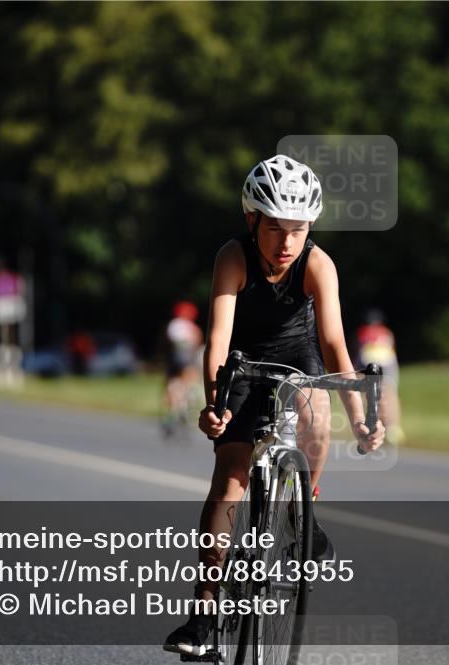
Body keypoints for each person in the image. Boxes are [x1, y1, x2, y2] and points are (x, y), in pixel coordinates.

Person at [163, 155, 385, 656]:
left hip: (297, 350)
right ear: (251, 221)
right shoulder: (233, 257)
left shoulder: (318, 263)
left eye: (299, 229)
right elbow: (217, 340)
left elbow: (334, 346)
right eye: (275, 228)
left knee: (317, 418)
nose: (287, 243)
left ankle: (299, 513)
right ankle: (203, 610)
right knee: (230, 479)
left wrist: (361, 419)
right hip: (241, 359)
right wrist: (215, 404)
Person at [355, 309, 405, 445]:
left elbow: (359, 355)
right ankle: (393, 428)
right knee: (389, 394)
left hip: (369, 361)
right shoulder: (387, 332)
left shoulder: (363, 332)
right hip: (387, 362)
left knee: (368, 393)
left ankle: (372, 424)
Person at [162, 301, 204, 434]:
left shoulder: (173, 324)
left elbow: (168, 342)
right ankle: (187, 404)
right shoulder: (189, 326)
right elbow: (196, 340)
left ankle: (172, 412)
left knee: (172, 382)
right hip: (185, 357)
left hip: (173, 358)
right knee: (190, 380)